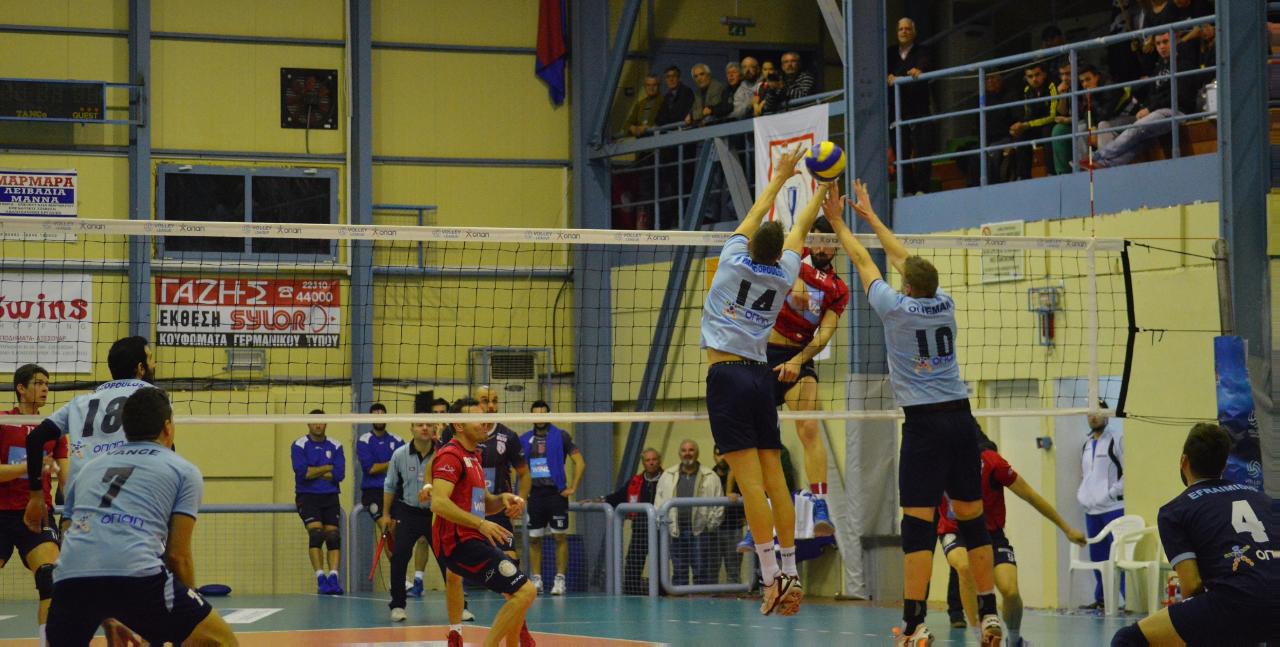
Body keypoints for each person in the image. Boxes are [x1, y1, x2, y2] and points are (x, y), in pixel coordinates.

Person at [824, 179, 1002, 646]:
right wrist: (872, 218)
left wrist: (840, 221)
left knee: (918, 527)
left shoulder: (894, 308)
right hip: (962, 421)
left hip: (924, 426)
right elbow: (905, 259)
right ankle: (989, 615)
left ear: (906, 286)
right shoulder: (946, 304)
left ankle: (913, 624)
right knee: (974, 521)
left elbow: (863, 261)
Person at [700, 145, 826, 616]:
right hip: (760, 376)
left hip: (727, 376)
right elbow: (800, 229)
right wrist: (821, 189)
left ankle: (770, 577)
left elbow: (755, 213)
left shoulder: (733, 259)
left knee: (751, 485)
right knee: (776, 480)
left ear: (752, 245)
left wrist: (780, 176)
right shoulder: (785, 273)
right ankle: (790, 568)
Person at [46, 387, 237, 646]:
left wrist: (107, 615)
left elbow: (71, 536)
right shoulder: (182, 470)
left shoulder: (88, 469)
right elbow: (177, 556)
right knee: (221, 640)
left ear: (125, 429)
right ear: (168, 427)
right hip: (137, 575)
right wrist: (186, 619)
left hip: (70, 578)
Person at [1111, 423, 1280, 647]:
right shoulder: (1263, 499)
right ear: (1224, 465)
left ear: (1184, 461)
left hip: (1234, 602)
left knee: (1127, 639)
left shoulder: (1175, 511)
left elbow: (1192, 586)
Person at [939, 430, 1086, 646]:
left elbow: (1030, 496)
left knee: (1010, 591)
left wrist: (1067, 529)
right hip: (955, 531)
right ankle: (981, 636)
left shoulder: (993, 463)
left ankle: (1015, 640)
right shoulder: (938, 464)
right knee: (964, 566)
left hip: (991, 535)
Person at [23, 336, 156, 534]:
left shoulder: (80, 403)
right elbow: (165, 452)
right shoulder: (154, 398)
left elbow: (34, 438)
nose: (155, 364)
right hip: (132, 510)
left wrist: (36, 496)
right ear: (140, 368)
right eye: (151, 358)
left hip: (80, 509)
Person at [767, 214, 849, 537]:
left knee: (810, 426)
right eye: (818, 241)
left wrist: (798, 361)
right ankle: (765, 507)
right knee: (762, 438)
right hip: (763, 354)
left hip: (800, 356)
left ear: (837, 248)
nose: (822, 249)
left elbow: (824, 336)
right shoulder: (791, 258)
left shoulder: (838, 289)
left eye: (830, 245)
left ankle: (819, 503)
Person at [432, 397, 536, 647]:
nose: (485, 422)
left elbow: (484, 503)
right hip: (458, 544)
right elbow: (438, 503)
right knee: (525, 591)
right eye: (478, 418)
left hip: (472, 540)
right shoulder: (450, 456)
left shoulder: (474, 456)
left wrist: (503, 499)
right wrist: (481, 524)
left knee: (519, 592)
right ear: (459, 425)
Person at [0, 365, 64, 644]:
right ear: (20, 388)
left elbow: (66, 477)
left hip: (38, 516)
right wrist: (32, 466)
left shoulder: (54, 428)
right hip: (1, 513)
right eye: (38, 383)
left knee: (51, 577)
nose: (45, 388)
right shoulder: (3, 422)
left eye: (47, 383)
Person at [441, 386, 529, 568]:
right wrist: (429, 486)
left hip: (495, 507)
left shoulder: (508, 436)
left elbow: (525, 473)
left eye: (494, 401)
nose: (490, 406)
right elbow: (437, 465)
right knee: (458, 571)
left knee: (510, 564)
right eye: (484, 401)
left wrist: (518, 500)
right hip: (464, 511)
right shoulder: (453, 437)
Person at [1083, 32, 1193, 169]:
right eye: (1158, 43)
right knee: (1105, 126)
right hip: (1154, 111)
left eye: (1165, 42)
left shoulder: (1184, 64)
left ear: (1175, 41)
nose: (1162, 47)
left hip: (1175, 111)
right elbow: (1152, 94)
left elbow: (1178, 95)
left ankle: (1099, 156)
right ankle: (1105, 166)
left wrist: (1149, 109)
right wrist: (1146, 108)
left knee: (1137, 128)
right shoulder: (1159, 66)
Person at [519, 400, 584, 596]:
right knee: (534, 538)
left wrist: (573, 487)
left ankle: (560, 579)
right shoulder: (524, 440)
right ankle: (536, 579)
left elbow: (580, 462)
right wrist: (521, 494)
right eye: (536, 413)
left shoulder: (561, 436)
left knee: (559, 537)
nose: (539, 417)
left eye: (543, 413)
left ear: (549, 415)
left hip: (556, 495)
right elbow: (518, 468)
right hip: (535, 495)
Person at [382, 409, 441, 622]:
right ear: (412, 428)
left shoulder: (443, 454)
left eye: (428, 424)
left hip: (435, 514)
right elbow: (390, 485)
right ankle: (398, 605)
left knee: (448, 559)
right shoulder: (399, 455)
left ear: (435, 429)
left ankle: (461, 606)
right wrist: (386, 514)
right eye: (419, 424)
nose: (424, 428)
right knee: (399, 557)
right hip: (408, 512)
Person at [1076, 399, 1125, 610]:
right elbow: (1087, 476)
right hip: (1092, 511)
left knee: (1119, 557)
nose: (1093, 417)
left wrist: (1112, 494)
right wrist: (1084, 497)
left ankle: (1128, 600)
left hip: (1114, 509)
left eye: (1097, 412)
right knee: (1097, 557)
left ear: (1107, 414)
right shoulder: (1086, 445)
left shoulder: (1117, 438)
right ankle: (1102, 599)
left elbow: (1128, 472)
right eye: (1089, 413)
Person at [654, 440, 724, 585]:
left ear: (697, 453)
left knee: (701, 570)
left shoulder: (710, 476)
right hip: (675, 531)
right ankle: (680, 598)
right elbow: (658, 502)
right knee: (679, 571)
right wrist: (662, 524)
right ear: (679, 453)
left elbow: (719, 505)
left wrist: (709, 525)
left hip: (700, 532)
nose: (687, 453)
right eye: (684, 450)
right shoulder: (667, 475)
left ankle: (700, 598)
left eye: (691, 450)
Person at [291, 410, 346, 595]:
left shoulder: (336, 445)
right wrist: (328, 467)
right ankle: (321, 578)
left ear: (326, 423)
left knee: (333, 537)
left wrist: (315, 471)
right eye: (314, 422)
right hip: (307, 496)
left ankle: (333, 577)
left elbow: (339, 474)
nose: (318, 425)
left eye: (321, 422)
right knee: (316, 534)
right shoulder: (299, 445)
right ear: (308, 424)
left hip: (330, 496)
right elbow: (303, 473)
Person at [596, 448, 662, 594]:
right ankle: (631, 594)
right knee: (633, 563)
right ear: (643, 463)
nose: (651, 463)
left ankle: (661, 593)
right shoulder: (635, 481)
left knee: (660, 563)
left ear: (659, 461)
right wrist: (600, 499)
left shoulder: (667, 479)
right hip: (639, 529)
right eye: (648, 460)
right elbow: (619, 496)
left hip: (660, 530)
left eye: (654, 459)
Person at [887, 18, 933, 194]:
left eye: (907, 29)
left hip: (919, 107)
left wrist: (917, 71)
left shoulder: (922, 51)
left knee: (923, 148)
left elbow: (923, 65)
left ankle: (922, 188)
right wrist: (891, 76)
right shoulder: (890, 53)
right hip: (897, 109)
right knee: (901, 151)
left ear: (914, 32)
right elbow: (886, 73)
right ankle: (907, 189)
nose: (904, 32)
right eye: (901, 29)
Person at [357, 403, 404, 531]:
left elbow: (402, 466)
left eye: (382, 415)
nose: (379, 419)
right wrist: (392, 463)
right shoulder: (364, 440)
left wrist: (383, 466)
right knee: (387, 527)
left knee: (399, 530)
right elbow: (370, 469)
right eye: (375, 416)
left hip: (395, 491)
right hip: (373, 492)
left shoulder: (397, 440)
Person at [1008, 62, 1058, 180]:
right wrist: (1019, 126)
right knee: (1021, 135)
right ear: (1026, 78)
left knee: (1047, 132)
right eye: (1030, 76)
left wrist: (1028, 124)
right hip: (1035, 125)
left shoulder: (1052, 87)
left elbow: (1052, 116)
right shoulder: (1027, 90)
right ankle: (1023, 176)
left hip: (1051, 123)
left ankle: (1051, 173)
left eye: (1037, 75)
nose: (1034, 79)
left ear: (1044, 74)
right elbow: (1028, 114)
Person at [710, 445, 743, 584]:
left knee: (734, 571)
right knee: (711, 571)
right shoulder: (709, 476)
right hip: (713, 529)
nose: (722, 458)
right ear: (714, 456)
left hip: (734, 527)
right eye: (718, 454)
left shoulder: (740, 475)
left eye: (725, 453)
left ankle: (734, 594)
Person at [731, 57, 761, 121]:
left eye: (751, 67)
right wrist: (750, 103)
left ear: (758, 69)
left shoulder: (764, 84)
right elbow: (737, 114)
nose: (747, 70)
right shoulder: (739, 91)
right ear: (741, 71)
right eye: (744, 67)